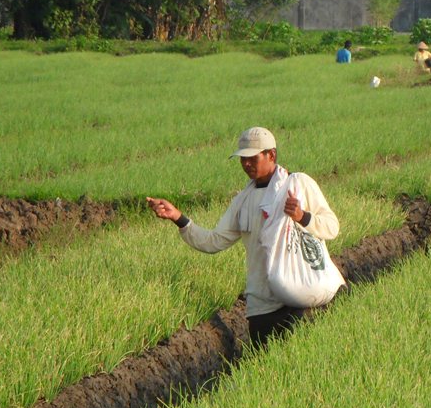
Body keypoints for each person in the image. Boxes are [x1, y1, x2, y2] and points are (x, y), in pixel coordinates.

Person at [146, 127, 342, 346]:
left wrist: (302, 216)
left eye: (252, 158)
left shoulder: (298, 185)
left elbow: (332, 227)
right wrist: (178, 217)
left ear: (271, 155)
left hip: (300, 300)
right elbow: (214, 241)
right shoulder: (242, 201)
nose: (246, 164)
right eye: (243, 159)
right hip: (261, 307)